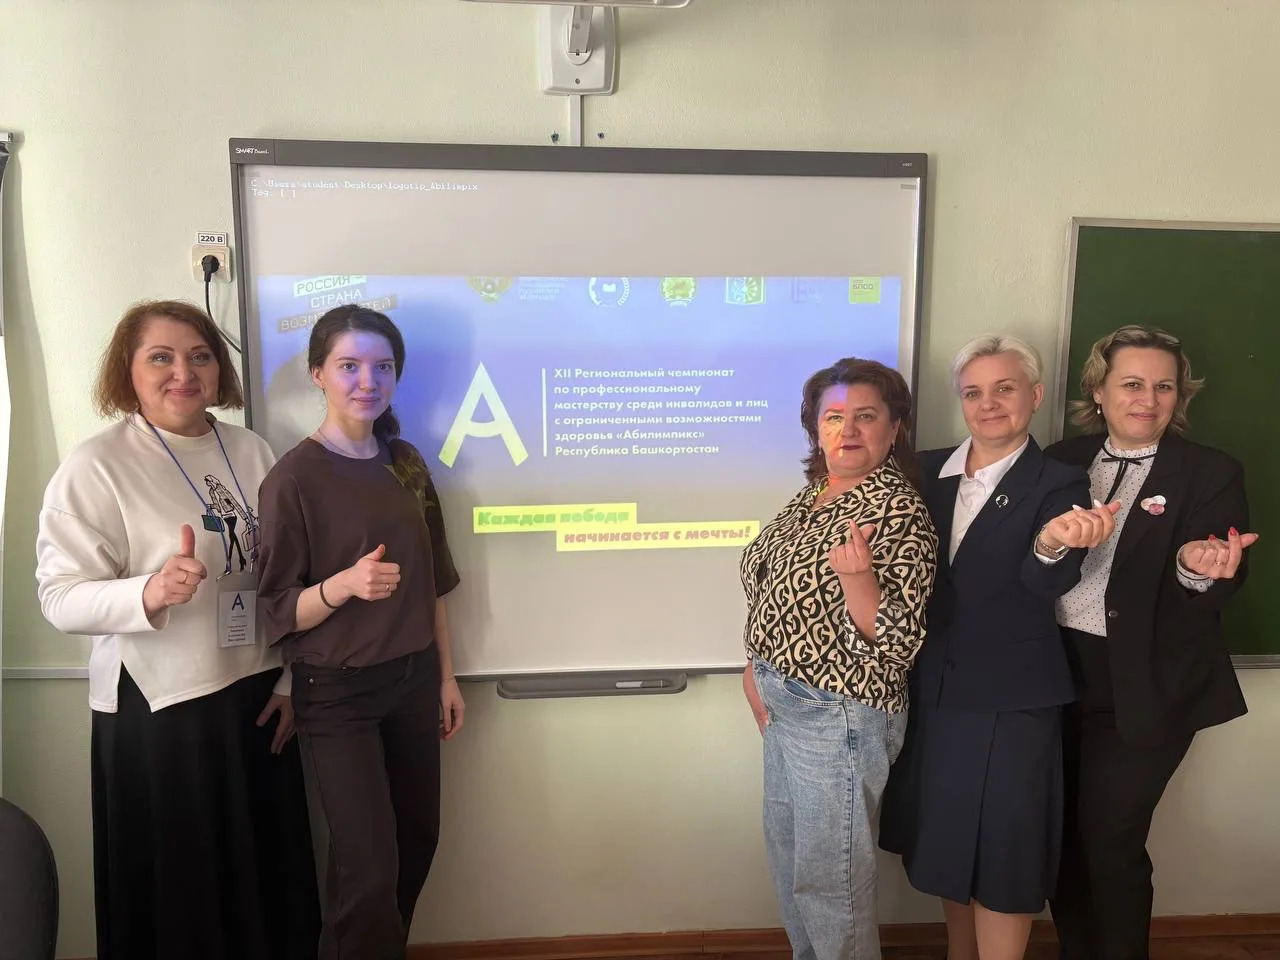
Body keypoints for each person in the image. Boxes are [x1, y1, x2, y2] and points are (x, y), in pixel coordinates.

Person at [35, 299, 320, 960]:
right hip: (161, 712)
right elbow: (59, 597)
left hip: (255, 697)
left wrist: (289, 680)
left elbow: (285, 576)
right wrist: (149, 591)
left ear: (219, 370)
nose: (183, 373)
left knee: (266, 887)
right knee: (182, 902)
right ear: (127, 371)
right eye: (160, 357)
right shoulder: (96, 465)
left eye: (200, 356)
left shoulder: (250, 449)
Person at [879, 335, 1118, 960]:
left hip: (1013, 701)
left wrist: (1053, 544)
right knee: (949, 848)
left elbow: (1046, 581)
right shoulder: (922, 471)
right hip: (932, 694)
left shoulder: (1060, 482)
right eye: (973, 392)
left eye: (1004, 389)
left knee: (1005, 856)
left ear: (1034, 396)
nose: (988, 404)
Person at [256, 304, 465, 960]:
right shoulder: (292, 478)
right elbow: (275, 611)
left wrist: (446, 677)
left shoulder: (406, 463)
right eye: (349, 365)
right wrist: (342, 586)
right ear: (318, 373)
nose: (367, 381)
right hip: (337, 695)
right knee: (367, 870)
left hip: (412, 682)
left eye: (382, 367)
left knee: (416, 844)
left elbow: (432, 581)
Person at [1046, 325, 1258, 960]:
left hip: (1147, 685)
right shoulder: (1060, 459)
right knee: (1059, 837)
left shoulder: (1210, 471)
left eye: (1164, 387)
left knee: (1109, 839)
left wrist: (1199, 567)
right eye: (1132, 384)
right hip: (1056, 676)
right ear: (1099, 391)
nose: (1148, 399)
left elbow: (1214, 574)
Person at [739, 357, 938, 960]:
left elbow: (897, 646)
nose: (847, 430)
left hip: (839, 715)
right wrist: (755, 665)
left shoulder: (898, 510)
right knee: (793, 868)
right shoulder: (815, 494)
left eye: (866, 416)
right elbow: (772, 586)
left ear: (894, 428)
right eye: (833, 417)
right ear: (815, 428)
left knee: (831, 887)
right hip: (784, 704)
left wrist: (859, 581)